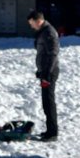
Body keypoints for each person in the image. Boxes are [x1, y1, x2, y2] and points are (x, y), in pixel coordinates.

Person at [27, 9, 60, 141]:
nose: (31, 26)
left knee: (49, 102)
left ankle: (53, 133)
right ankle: (50, 130)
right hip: (46, 72)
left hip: (49, 73)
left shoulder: (48, 32)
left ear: (38, 21)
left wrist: (46, 73)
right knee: (46, 102)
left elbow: (53, 54)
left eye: (32, 23)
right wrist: (41, 70)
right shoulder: (43, 31)